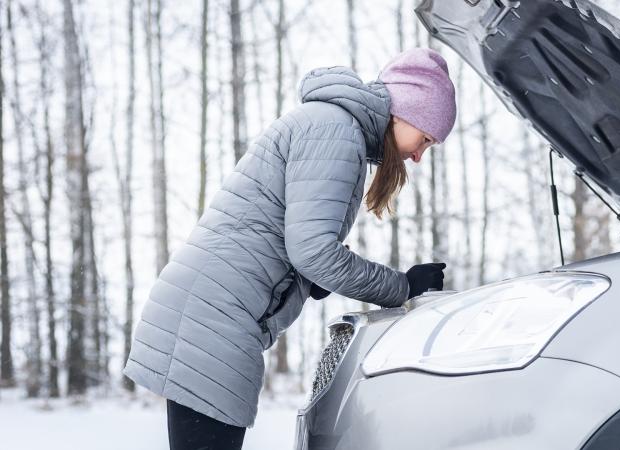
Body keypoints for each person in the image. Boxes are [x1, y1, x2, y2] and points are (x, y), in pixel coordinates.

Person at [122, 47, 457, 449]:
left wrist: (303, 279)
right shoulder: (336, 132)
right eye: (425, 139)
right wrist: (401, 286)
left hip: (208, 312)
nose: (419, 156)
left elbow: (286, 236)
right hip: (214, 318)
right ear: (406, 113)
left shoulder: (331, 126)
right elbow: (313, 252)